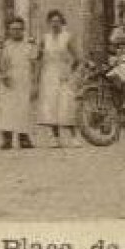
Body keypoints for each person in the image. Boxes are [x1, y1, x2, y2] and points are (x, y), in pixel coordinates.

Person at [35, 9, 81, 147]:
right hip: (48, 75)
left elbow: (78, 58)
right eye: (52, 22)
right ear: (48, 23)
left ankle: (74, 137)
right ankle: (55, 138)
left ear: (62, 22)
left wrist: (69, 72)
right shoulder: (45, 38)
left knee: (66, 104)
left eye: (58, 21)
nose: (55, 24)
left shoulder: (67, 37)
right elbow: (38, 57)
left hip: (63, 74)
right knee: (51, 105)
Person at [0, 17, 38, 150]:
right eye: (13, 29)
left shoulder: (29, 45)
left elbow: (35, 64)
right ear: (9, 30)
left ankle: (24, 138)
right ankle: (7, 139)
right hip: (8, 80)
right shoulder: (4, 45)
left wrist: (35, 82)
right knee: (6, 108)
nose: (16, 32)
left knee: (23, 109)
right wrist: (2, 76)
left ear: (23, 30)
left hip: (24, 79)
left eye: (19, 29)